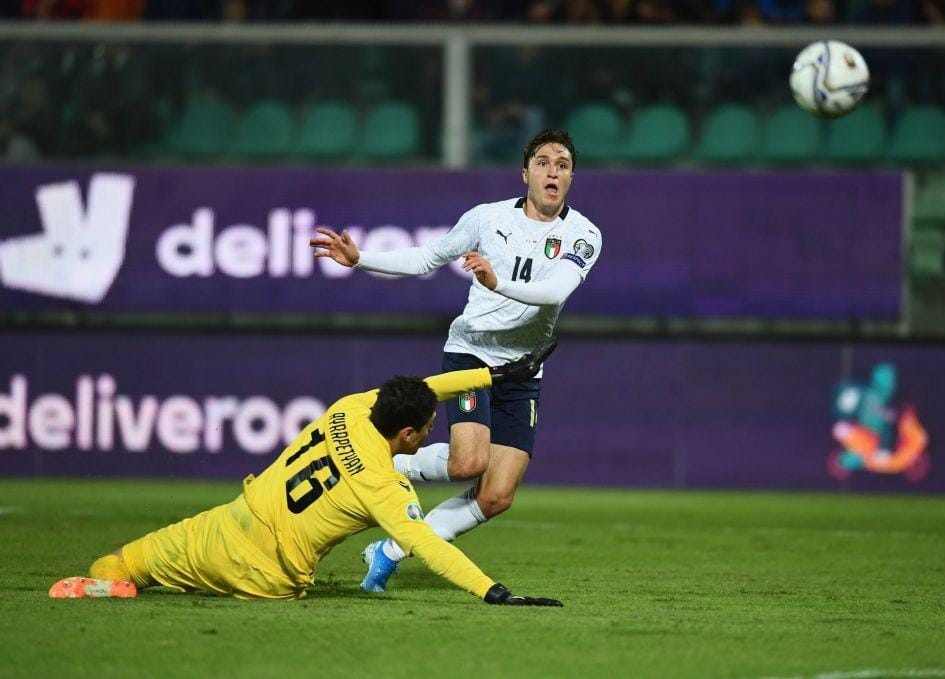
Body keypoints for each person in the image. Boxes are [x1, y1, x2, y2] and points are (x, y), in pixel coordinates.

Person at [49, 341, 562, 607]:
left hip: (227, 526)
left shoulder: (349, 408)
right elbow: (430, 547)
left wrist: (493, 376)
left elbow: (427, 387)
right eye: (429, 427)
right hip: (268, 577)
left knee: (116, 563)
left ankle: (107, 589)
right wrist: (492, 591)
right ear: (407, 434)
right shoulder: (386, 486)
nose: (432, 430)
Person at [309, 129, 602, 592]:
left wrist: (497, 283)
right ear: (525, 173)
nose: (553, 172)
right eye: (543, 163)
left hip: (522, 370)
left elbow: (554, 292)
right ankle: (382, 460)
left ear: (570, 178)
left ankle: (389, 550)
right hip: (472, 353)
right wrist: (361, 258)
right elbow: (426, 258)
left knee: (497, 494)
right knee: (468, 463)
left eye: (562, 165)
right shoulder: (487, 219)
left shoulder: (583, 234)